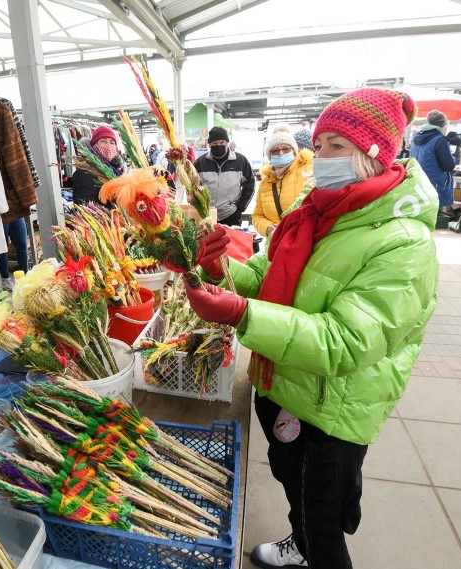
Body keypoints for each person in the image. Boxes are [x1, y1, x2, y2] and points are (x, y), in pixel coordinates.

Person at [184, 87, 439, 569]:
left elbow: (346, 341)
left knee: (324, 522)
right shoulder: (314, 211)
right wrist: (223, 273)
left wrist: (241, 315)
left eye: (336, 146)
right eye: (318, 144)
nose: (319, 157)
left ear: (374, 154)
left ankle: (311, 548)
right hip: (285, 381)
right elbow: (266, 275)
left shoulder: (403, 242)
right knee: (293, 484)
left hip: (332, 407)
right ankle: (298, 543)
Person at [251, 124, 314, 236]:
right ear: (269, 155)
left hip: (305, 239)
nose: (281, 153)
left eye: (286, 149)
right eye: (275, 150)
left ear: (294, 151)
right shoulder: (265, 183)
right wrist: (266, 227)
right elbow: (257, 216)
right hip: (277, 243)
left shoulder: (308, 172)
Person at [195, 126, 255, 226]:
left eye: (222, 143)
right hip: (206, 215)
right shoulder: (200, 163)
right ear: (209, 144)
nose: (218, 145)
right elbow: (191, 187)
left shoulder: (240, 161)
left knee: (231, 241)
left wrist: (240, 207)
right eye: (215, 143)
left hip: (231, 216)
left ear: (227, 143)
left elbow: (250, 184)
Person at [410, 110, 456, 213]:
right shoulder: (440, 140)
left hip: (416, 181)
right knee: (432, 214)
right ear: (443, 124)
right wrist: (453, 159)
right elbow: (448, 166)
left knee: (418, 213)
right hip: (433, 184)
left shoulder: (416, 138)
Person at [70, 125, 126, 205]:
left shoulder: (117, 171)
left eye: (112, 142)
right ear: (94, 145)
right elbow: (84, 206)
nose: (108, 146)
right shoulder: (84, 173)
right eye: (103, 141)